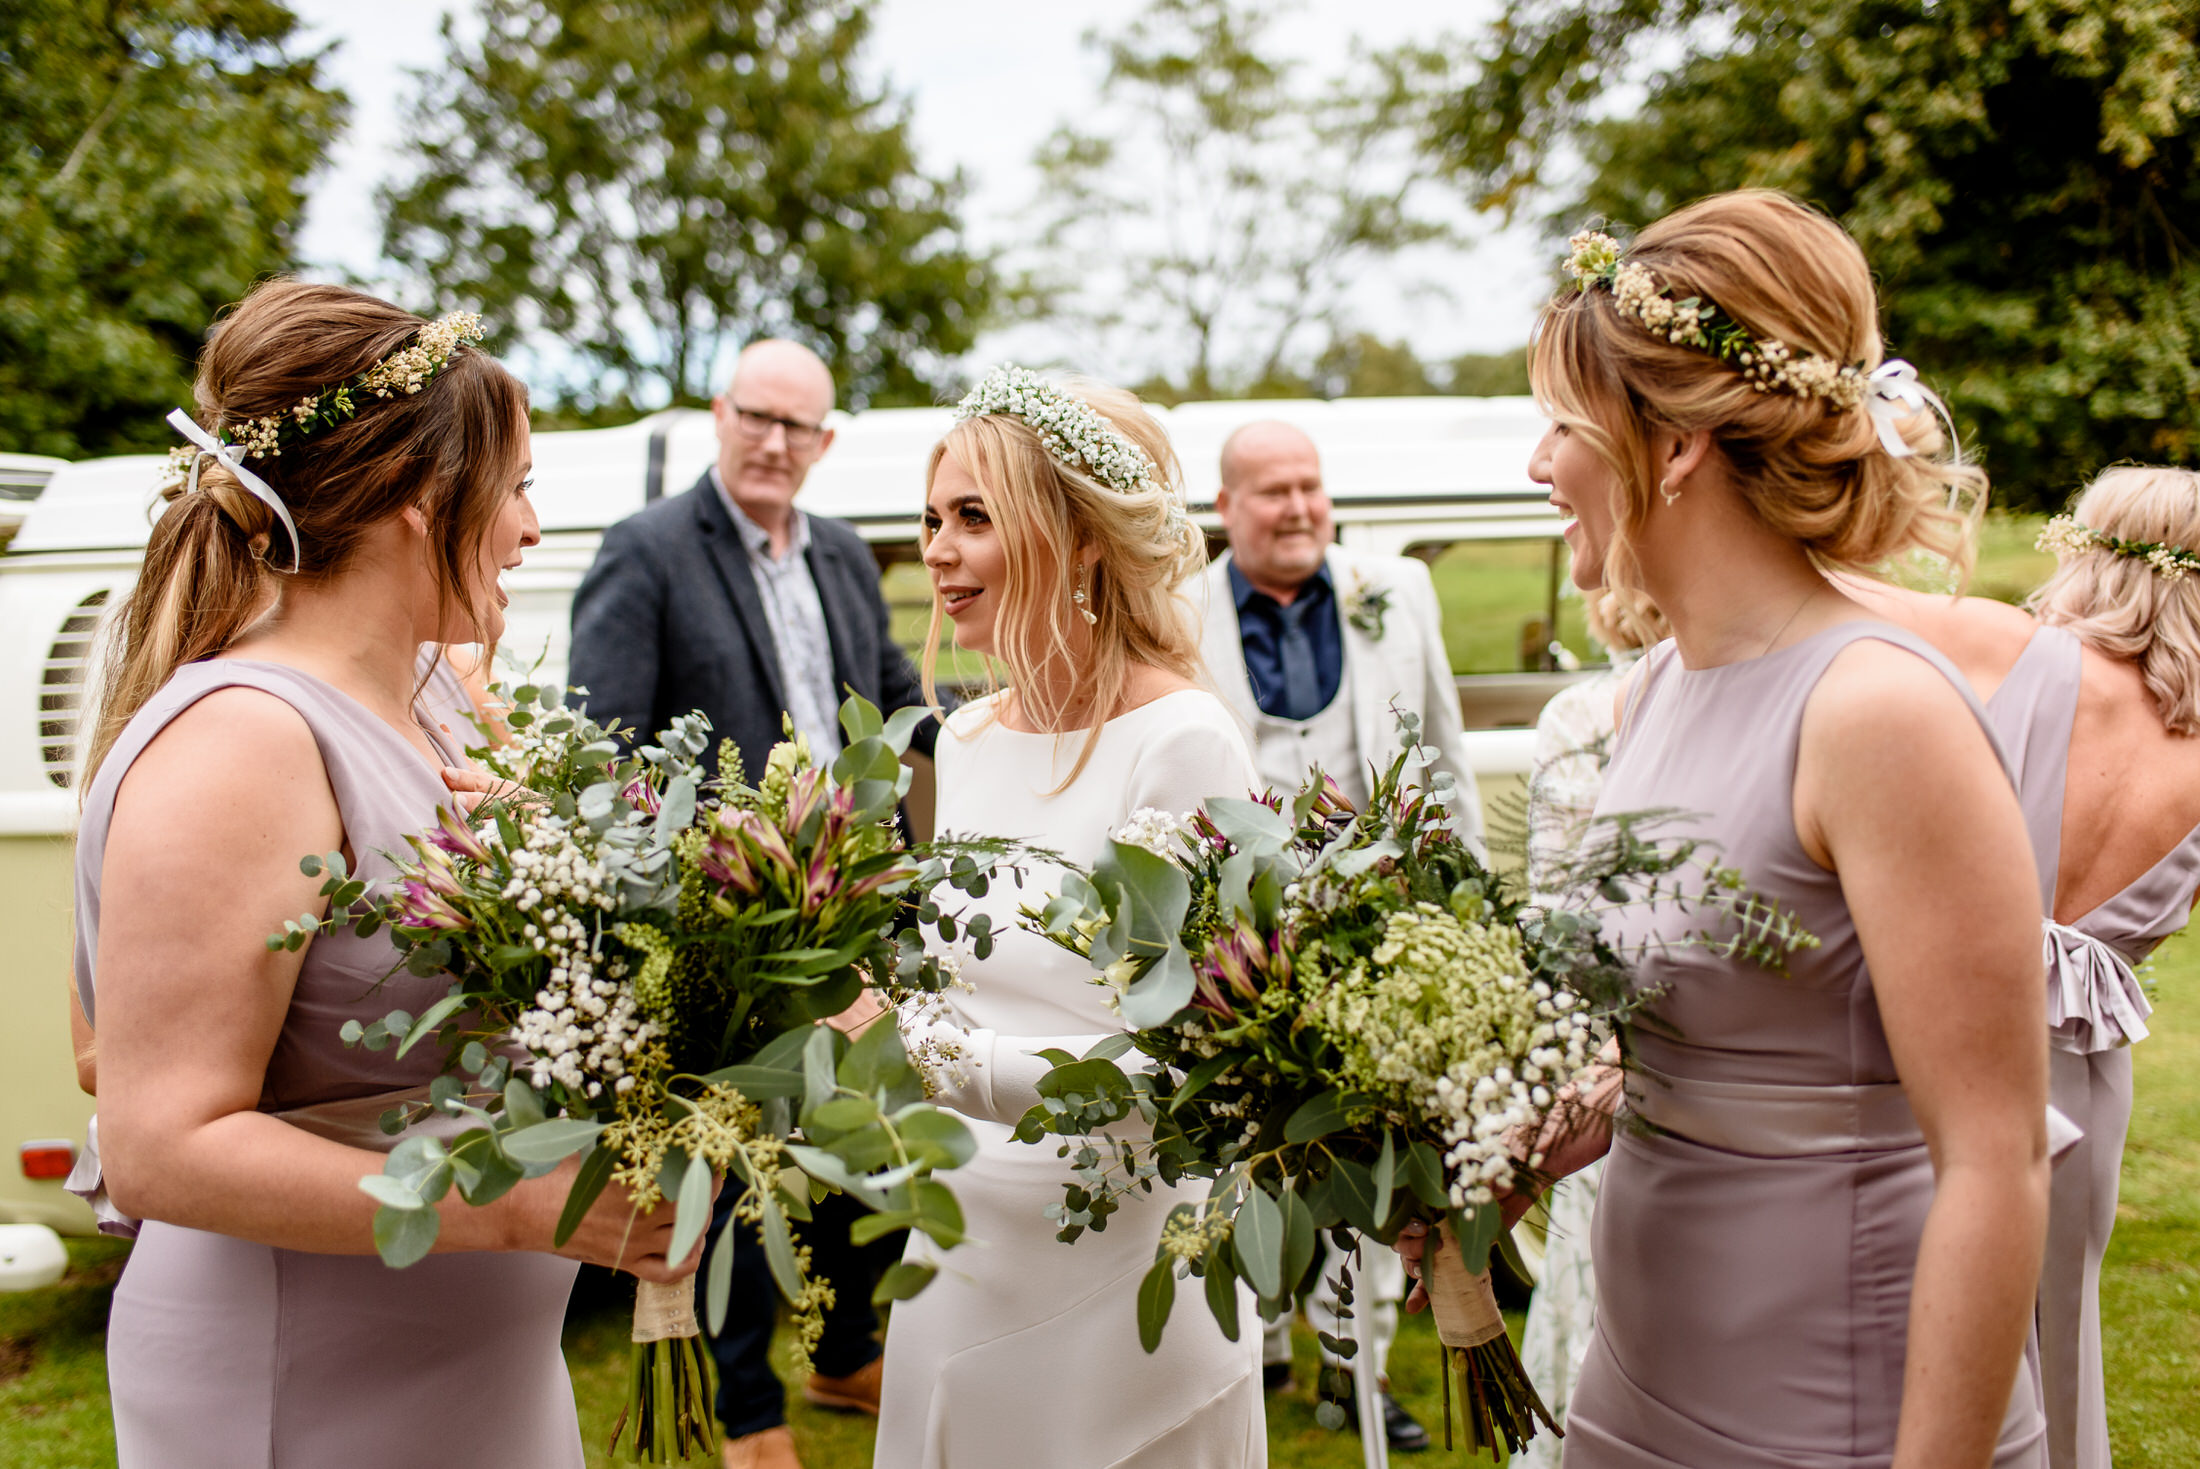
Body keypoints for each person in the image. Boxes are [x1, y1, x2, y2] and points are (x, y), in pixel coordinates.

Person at [1411, 190, 2051, 1469]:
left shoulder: (1873, 712)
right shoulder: (1651, 691)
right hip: (1637, 1389)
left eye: (1560, 426)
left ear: (1675, 445)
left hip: (1832, 1414)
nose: (1539, 467)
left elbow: (1996, 1160)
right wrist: (1539, 1122)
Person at [73, 280, 700, 1468]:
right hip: (303, 1376)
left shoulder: (434, 708)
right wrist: (524, 1203)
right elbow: (159, 1139)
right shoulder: (242, 742)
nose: (527, 528)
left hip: (477, 1372)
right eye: (516, 487)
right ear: (424, 500)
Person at [876, 366, 1266, 1468]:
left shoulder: (1179, 742)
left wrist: (933, 1057)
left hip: (1120, 1254)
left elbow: (1199, 1068)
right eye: (931, 517)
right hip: (957, 1234)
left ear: (1079, 537)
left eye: (973, 517)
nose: (937, 549)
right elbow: (964, 972)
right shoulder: (962, 739)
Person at [568, 338, 935, 1469]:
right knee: (727, 1160)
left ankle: (840, 1348)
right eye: (757, 417)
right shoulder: (648, 550)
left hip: (848, 902)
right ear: (718, 417)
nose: (775, 443)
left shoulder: (837, 554)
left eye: (800, 427)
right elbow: (604, 750)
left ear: (825, 443)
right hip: (723, 922)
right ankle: (745, 1411)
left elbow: (892, 697)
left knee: (861, 1139)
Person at [1837, 465, 2200, 1469]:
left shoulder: (2012, 646)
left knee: (1922, 1323)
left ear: (2087, 552)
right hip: (2087, 1076)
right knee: (2059, 1331)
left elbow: (1823, 591)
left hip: (1945, 1029)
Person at [1196, 418, 1480, 1453]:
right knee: (1254, 1143)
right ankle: (1261, 1338)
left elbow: (1441, 751)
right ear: (1225, 507)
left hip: (1382, 925)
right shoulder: (1179, 612)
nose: (1298, 507)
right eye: (1272, 490)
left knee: (1374, 1149)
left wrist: (1466, 898)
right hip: (1235, 940)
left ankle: (1351, 1363)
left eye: (1310, 486)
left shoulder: (1394, 586)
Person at [1514, 585, 1667, 1469]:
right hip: (1617, 1067)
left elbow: (1561, 936)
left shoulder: (1582, 712)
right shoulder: (1582, 713)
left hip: (1604, 1061)